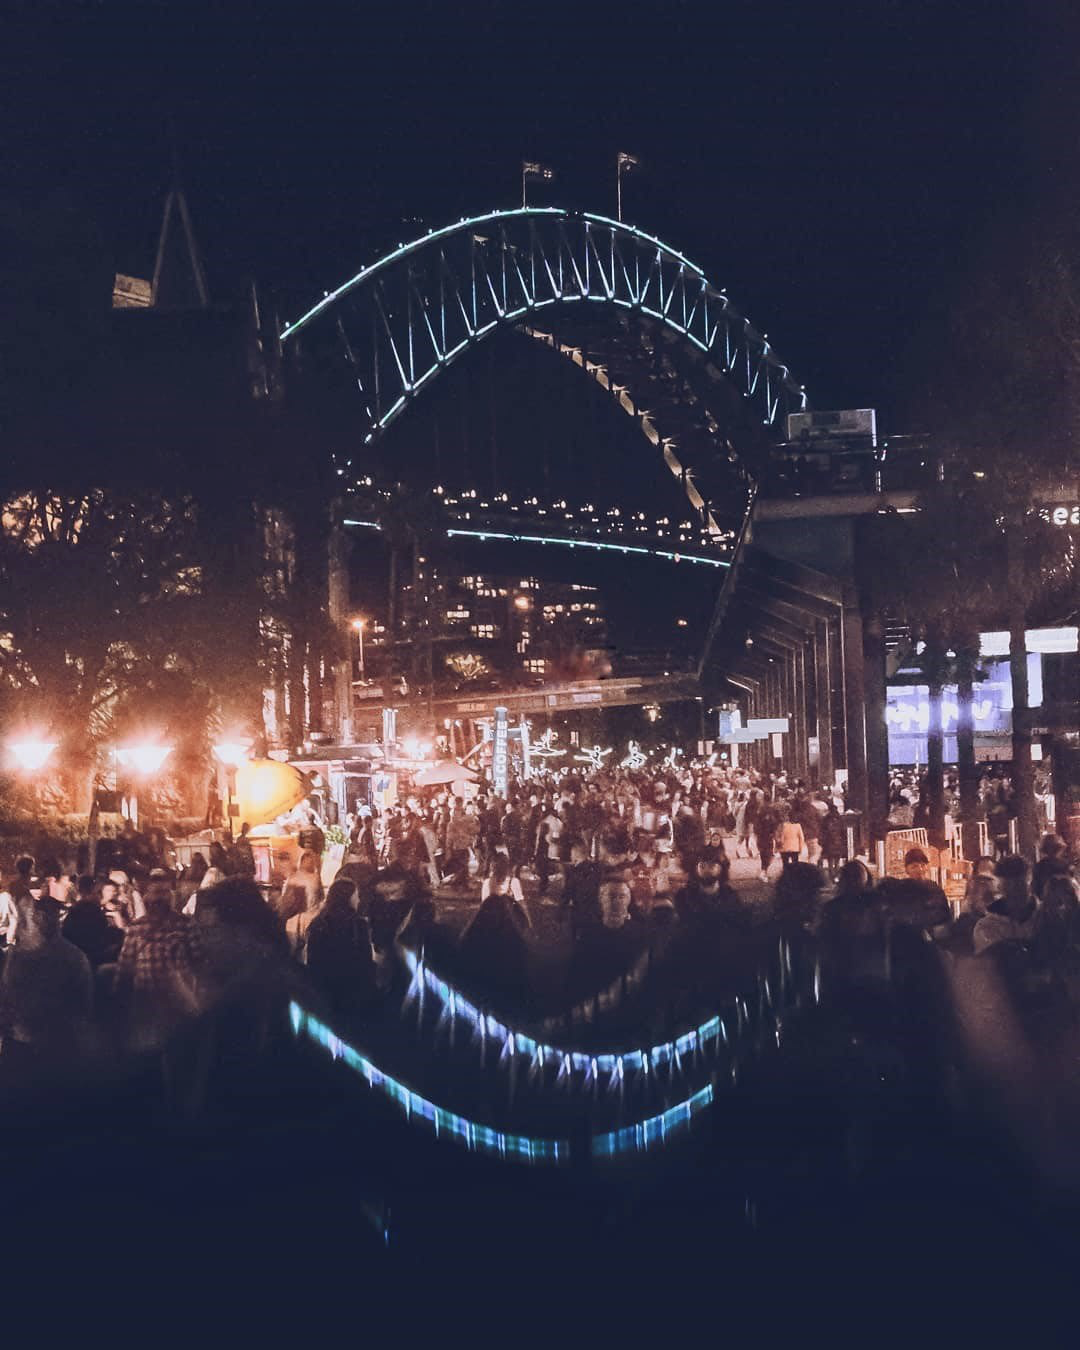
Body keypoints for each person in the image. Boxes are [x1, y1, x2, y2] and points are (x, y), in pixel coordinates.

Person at [0, 893, 94, 1081]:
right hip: (42, 1047)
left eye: (25, 924)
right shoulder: (17, 956)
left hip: (40, 1047)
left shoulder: (70, 958)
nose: (17, 931)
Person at [115, 870, 207, 1051]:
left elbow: (200, 963)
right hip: (145, 1003)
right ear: (148, 897)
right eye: (156, 893)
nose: (160, 899)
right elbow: (125, 967)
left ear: (171, 897)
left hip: (178, 1004)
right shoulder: (137, 927)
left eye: (164, 893)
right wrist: (120, 1002)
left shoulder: (185, 924)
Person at [305, 878, 378, 1017]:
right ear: (348, 898)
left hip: (325, 989)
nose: (359, 900)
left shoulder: (319, 923)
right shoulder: (358, 924)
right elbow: (365, 959)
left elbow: (312, 959)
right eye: (356, 896)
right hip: (352, 990)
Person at [62, 875, 122, 969]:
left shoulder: (83, 907)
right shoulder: (89, 908)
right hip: (89, 958)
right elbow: (97, 938)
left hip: (78, 956)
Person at [1032, 834, 1072, 901]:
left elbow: (1035, 887)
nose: (1052, 849)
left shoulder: (1039, 866)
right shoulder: (1064, 865)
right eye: (1050, 847)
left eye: (1053, 847)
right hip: (1057, 901)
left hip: (1049, 901)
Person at [819, 802, 846, 880]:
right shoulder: (840, 819)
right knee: (837, 861)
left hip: (829, 843)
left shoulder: (825, 819)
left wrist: (822, 842)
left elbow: (823, 831)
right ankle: (837, 875)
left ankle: (831, 876)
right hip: (838, 842)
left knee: (830, 860)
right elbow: (843, 831)